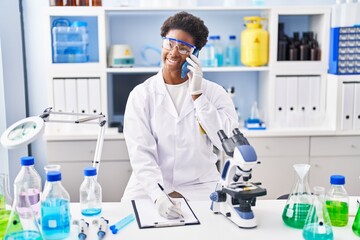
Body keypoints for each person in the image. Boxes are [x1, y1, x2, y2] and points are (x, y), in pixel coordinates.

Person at [122, 11, 239, 219]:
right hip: (149, 186)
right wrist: (158, 196)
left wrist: (198, 97)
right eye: (169, 43)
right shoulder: (141, 95)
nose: (174, 53)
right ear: (162, 44)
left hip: (200, 184)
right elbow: (141, 154)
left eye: (183, 48)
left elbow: (230, 143)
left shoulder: (214, 93)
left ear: (196, 55)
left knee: (214, 227)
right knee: (130, 224)